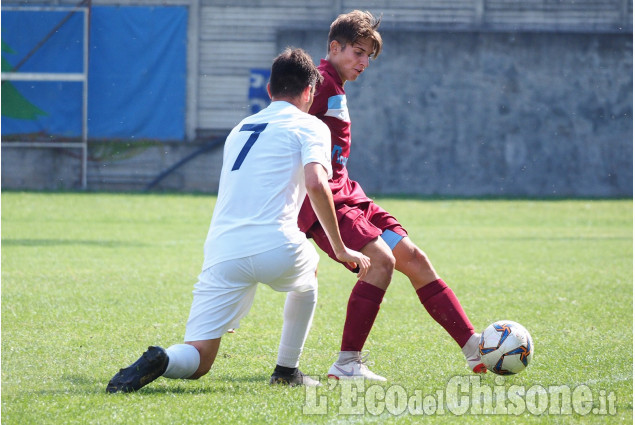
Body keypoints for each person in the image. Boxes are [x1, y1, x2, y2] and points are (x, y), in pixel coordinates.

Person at [106, 48, 370, 393]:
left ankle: (164, 359)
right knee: (310, 270)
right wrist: (341, 248)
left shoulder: (240, 128)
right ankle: (287, 370)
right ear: (309, 92)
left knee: (199, 360)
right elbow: (318, 183)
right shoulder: (312, 126)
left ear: (269, 90)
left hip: (222, 251)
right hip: (278, 247)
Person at [297, 10, 486, 381]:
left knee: (414, 258)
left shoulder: (335, 85)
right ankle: (347, 363)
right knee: (381, 264)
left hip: (350, 194)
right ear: (334, 48)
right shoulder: (317, 83)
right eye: (358, 52)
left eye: (369, 55)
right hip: (326, 205)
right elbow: (285, 124)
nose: (364, 62)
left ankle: (473, 348)